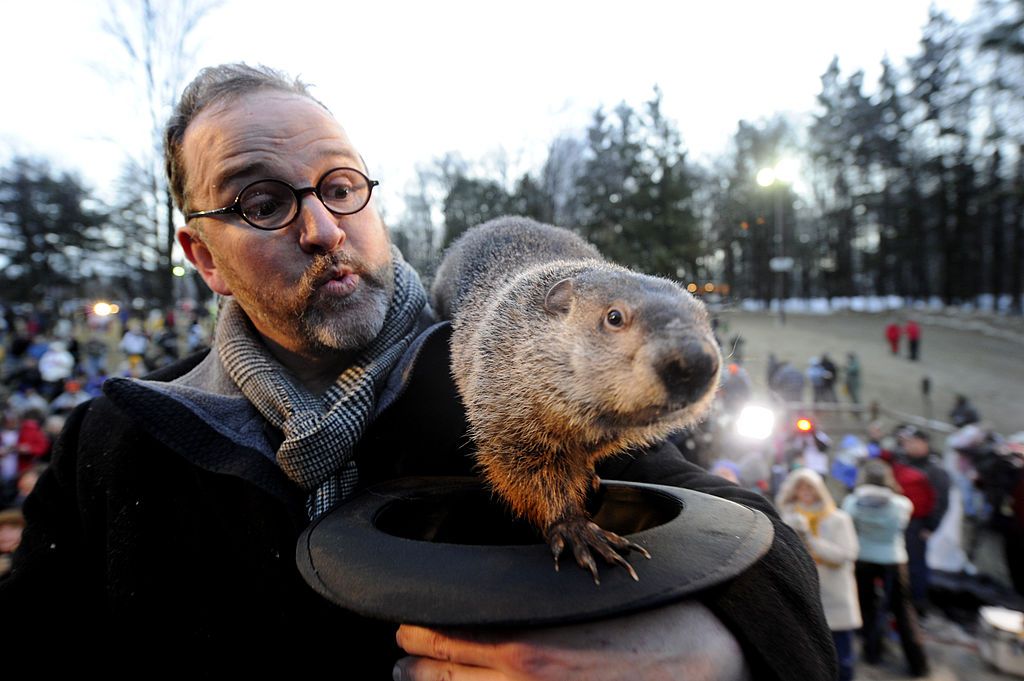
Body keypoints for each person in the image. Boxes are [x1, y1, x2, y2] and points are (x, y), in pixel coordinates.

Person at [0, 64, 835, 679]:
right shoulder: (118, 440)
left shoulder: (504, 373)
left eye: (340, 185)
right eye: (262, 202)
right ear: (203, 256)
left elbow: (747, 539)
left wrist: (723, 652)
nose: (323, 227)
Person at [843, 459, 929, 677]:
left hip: (862, 559)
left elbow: (849, 526)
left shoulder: (852, 502)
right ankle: (918, 664)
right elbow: (903, 525)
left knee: (868, 607)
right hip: (894, 560)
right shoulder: (902, 504)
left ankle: (872, 652)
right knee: (902, 610)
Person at [777, 468, 862, 681]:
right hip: (802, 594)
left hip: (834, 593)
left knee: (841, 658)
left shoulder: (838, 519)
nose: (804, 491)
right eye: (799, 487)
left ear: (819, 490)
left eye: (809, 487)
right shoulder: (786, 518)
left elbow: (846, 554)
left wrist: (811, 540)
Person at [898, 428, 950, 616]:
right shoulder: (902, 464)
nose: (909, 446)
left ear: (924, 443)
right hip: (899, 523)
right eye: (907, 442)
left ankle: (918, 605)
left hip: (918, 525)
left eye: (913, 442)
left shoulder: (934, 470)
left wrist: (930, 526)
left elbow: (941, 500)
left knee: (916, 566)